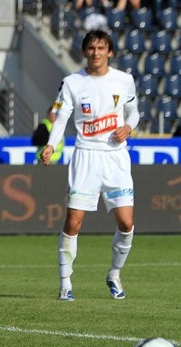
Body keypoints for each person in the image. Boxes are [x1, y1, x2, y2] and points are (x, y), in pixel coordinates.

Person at [40, 30, 139, 302]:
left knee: (127, 222)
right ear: (85, 52)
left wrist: (128, 128)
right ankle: (65, 283)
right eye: (91, 48)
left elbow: (134, 112)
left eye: (101, 47)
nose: (96, 52)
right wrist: (50, 144)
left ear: (110, 52)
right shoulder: (72, 82)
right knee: (73, 222)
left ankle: (115, 274)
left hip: (116, 157)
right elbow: (61, 117)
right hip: (85, 156)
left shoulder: (124, 80)